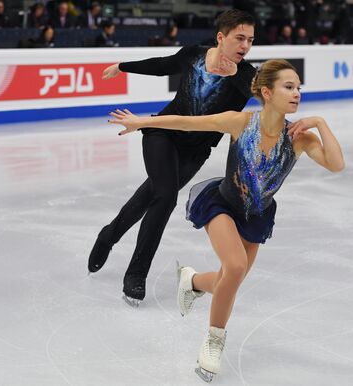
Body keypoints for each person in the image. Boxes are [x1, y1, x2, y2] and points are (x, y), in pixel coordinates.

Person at [108, 59, 344, 382]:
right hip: (222, 204)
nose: (296, 93)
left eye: (298, 88)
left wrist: (319, 122)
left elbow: (336, 164)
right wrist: (143, 122)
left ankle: (190, 282)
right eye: (289, 87)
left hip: (257, 216)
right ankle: (213, 342)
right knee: (234, 267)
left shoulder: (298, 138)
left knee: (228, 280)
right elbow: (191, 123)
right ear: (267, 92)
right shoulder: (241, 122)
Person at [88, 9, 257, 307]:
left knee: (150, 195)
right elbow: (161, 65)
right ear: (221, 37)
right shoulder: (194, 55)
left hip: (196, 151)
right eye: (239, 38)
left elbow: (268, 96)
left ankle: (109, 234)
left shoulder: (246, 76)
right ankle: (136, 273)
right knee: (165, 196)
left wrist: (243, 81)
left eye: (250, 40)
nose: (245, 46)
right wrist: (121, 66)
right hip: (162, 133)